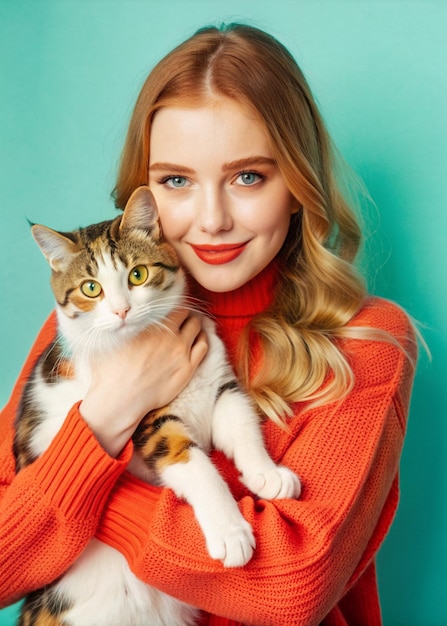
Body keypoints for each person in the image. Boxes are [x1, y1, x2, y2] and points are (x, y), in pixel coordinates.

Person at [0, 23, 417, 625]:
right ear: (144, 194)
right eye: (176, 181)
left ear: (298, 185)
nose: (213, 219)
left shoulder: (367, 342)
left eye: (249, 176)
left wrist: (83, 486)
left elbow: (290, 587)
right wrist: (111, 409)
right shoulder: (94, 322)